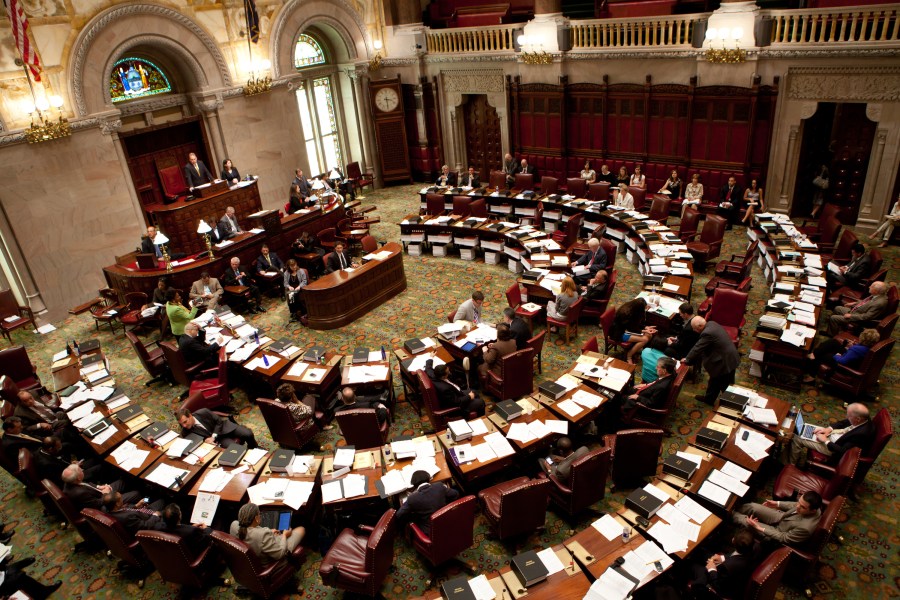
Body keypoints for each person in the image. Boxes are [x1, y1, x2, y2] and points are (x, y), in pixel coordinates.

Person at [786, 403, 873, 466]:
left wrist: (825, 440)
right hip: (835, 436)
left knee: (797, 438)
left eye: (849, 416)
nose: (847, 417)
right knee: (807, 430)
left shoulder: (860, 434)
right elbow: (843, 422)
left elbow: (843, 451)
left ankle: (790, 465)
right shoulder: (864, 419)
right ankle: (786, 458)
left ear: (858, 419)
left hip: (833, 448)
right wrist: (828, 429)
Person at [687, 528, 759, 599]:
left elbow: (718, 586)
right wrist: (723, 558)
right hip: (738, 574)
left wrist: (712, 569)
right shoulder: (756, 547)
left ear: (733, 540)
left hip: (726, 588)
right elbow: (737, 555)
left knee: (693, 565)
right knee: (703, 552)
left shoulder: (727, 567)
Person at [683, 318, 741, 405]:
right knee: (714, 380)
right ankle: (709, 399)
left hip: (724, 362)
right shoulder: (712, 323)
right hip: (729, 356)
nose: (694, 330)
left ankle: (731, 405)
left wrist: (687, 359)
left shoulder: (707, 333)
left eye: (694, 328)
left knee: (724, 384)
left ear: (700, 326)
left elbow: (697, 348)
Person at [732, 492, 823, 546]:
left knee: (746, 521)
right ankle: (733, 507)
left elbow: (783, 538)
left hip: (778, 532)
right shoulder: (813, 506)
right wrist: (777, 504)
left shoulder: (805, 529)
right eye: (799, 502)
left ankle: (729, 513)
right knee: (753, 507)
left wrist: (759, 528)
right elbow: (794, 505)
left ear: (812, 511)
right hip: (783, 517)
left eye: (802, 507)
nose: (797, 506)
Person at [230, 502, 305, 566]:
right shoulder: (263, 534)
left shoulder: (233, 525)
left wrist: (269, 532)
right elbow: (280, 554)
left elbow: (251, 533)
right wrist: (285, 535)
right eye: (260, 514)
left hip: (252, 559)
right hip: (269, 561)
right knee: (301, 529)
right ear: (256, 518)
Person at [804, 328, 879, 384]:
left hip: (843, 366)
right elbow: (855, 352)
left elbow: (843, 361)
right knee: (833, 342)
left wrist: (837, 355)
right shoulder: (867, 347)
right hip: (850, 358)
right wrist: (850, 347)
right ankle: (814, 354)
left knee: (823, 354)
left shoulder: (857, 350)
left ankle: (812, 375)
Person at [395, 470, 459, 535]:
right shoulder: (439, 486)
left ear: (414, 485)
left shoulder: (412, 498)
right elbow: (455, 494)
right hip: (447, 521)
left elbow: (399, 514)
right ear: (429, 479)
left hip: (429, 531)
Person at [61, 463, 140, 510]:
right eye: (80, 470)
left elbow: (85, 484)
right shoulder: (80, 493)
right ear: (78, 478)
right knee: (136, 494)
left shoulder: (69, 481)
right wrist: (106, 493)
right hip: (104, 504)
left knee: (122, 481)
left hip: (99, 492)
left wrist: (99, 486)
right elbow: (97, 504)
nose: (82, 470)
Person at [34, 435, 102, 486]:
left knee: (96, 459)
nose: (60, 448)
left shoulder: (41, 449)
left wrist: (71, 464)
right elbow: (63, 480)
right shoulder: (46, 465)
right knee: (100, 467)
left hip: (70, 468)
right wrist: (73, 468)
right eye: (58, 447)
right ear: (50, 449)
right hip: (73, 480)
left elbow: (58, 461)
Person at [176, 407, 258, 449]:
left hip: (224, 427)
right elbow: (192, 443)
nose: (184, 426)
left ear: (190, 415)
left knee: (248, 433)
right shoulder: (185, 431)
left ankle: (253, 448)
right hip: (219, 440)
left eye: (185, 422)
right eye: (181, 424)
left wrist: (213, 436)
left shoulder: (203, 412)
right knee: (236, 448)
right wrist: (205, 441)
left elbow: (219, 421)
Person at [610, 298, 657, 364]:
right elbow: (631, 328)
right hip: (619, 333)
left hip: (627, 330)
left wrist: (646, 327)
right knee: (645, 339)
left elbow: (635, 324)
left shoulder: (633, 310)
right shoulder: (626, 314)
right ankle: (629, 356)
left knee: (649, 335)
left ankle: (635, 350)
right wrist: (644, 331)